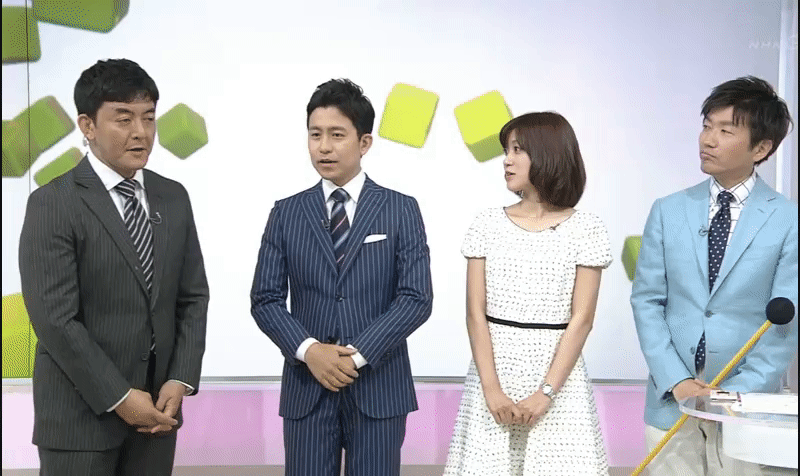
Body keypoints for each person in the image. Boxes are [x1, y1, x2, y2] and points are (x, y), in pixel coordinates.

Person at [19, 58, 209, 476]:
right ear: (87, 126)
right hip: (79, 423)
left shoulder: (173, 197)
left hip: (156, 419)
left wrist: (179, 378)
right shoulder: (54, 203)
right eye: (124, 119)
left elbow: (193, 297)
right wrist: (121, 397)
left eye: (148, 117)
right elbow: (55, 320)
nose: (141, 132)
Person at [250, 78, 433, 476]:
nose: (324, 147)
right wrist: (310, 351)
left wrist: (357, 355)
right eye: (315, 134)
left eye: (336, 135)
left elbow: (416, 298)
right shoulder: (286, 212)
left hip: (379, 386)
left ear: (364, 142)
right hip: (307, 387)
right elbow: (265, 299)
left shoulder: (400, 209)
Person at [631, 76, 798, 475]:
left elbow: (786, 319)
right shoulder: (668, 210)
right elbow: (647, 301)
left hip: (746, 408)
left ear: (761, 148)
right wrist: (677, 380)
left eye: (725, 131)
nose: (708, 139)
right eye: (707, 126)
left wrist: (736, 393)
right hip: (672, 401)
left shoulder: (788, 218)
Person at [444, 112, 612, 475]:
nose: (507, 160)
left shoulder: (587, 228)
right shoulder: (486, 223)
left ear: (548, 154)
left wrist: (546, 392)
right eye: (507, 150)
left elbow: (582, 320)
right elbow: (475, 314)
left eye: (518, 150)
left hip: (559, 383)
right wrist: (491, 389)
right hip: (492, 378)